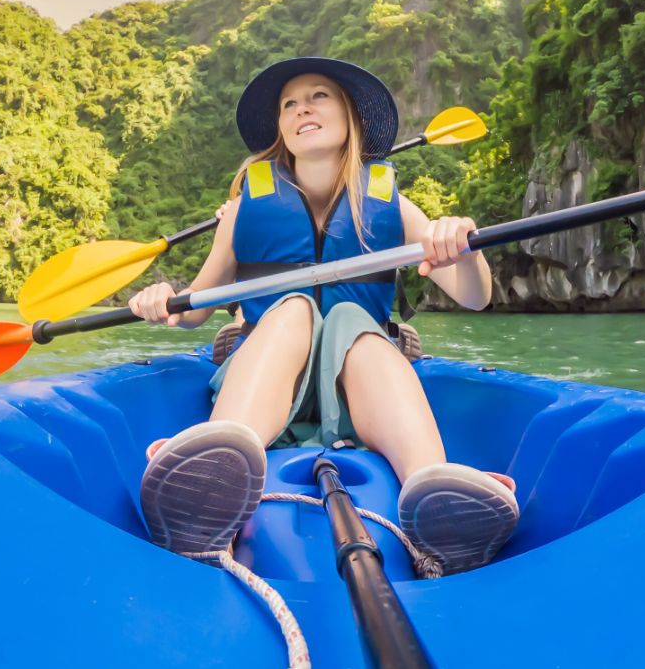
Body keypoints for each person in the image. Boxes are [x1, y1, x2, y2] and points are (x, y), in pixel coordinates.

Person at [128, 57, 518, 575]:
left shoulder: (393, 206)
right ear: (281, 129)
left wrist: (461, 249)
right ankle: (216, 472)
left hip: (359, 395)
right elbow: (196, 307)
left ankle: (433, 493)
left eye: (319, 96)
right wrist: (165, 302)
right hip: (268, 388)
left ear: (349, 116)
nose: (301, 108)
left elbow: (474, 296)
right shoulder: (245, 209)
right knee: (292, 309)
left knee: (356, 324)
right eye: (289, 103)